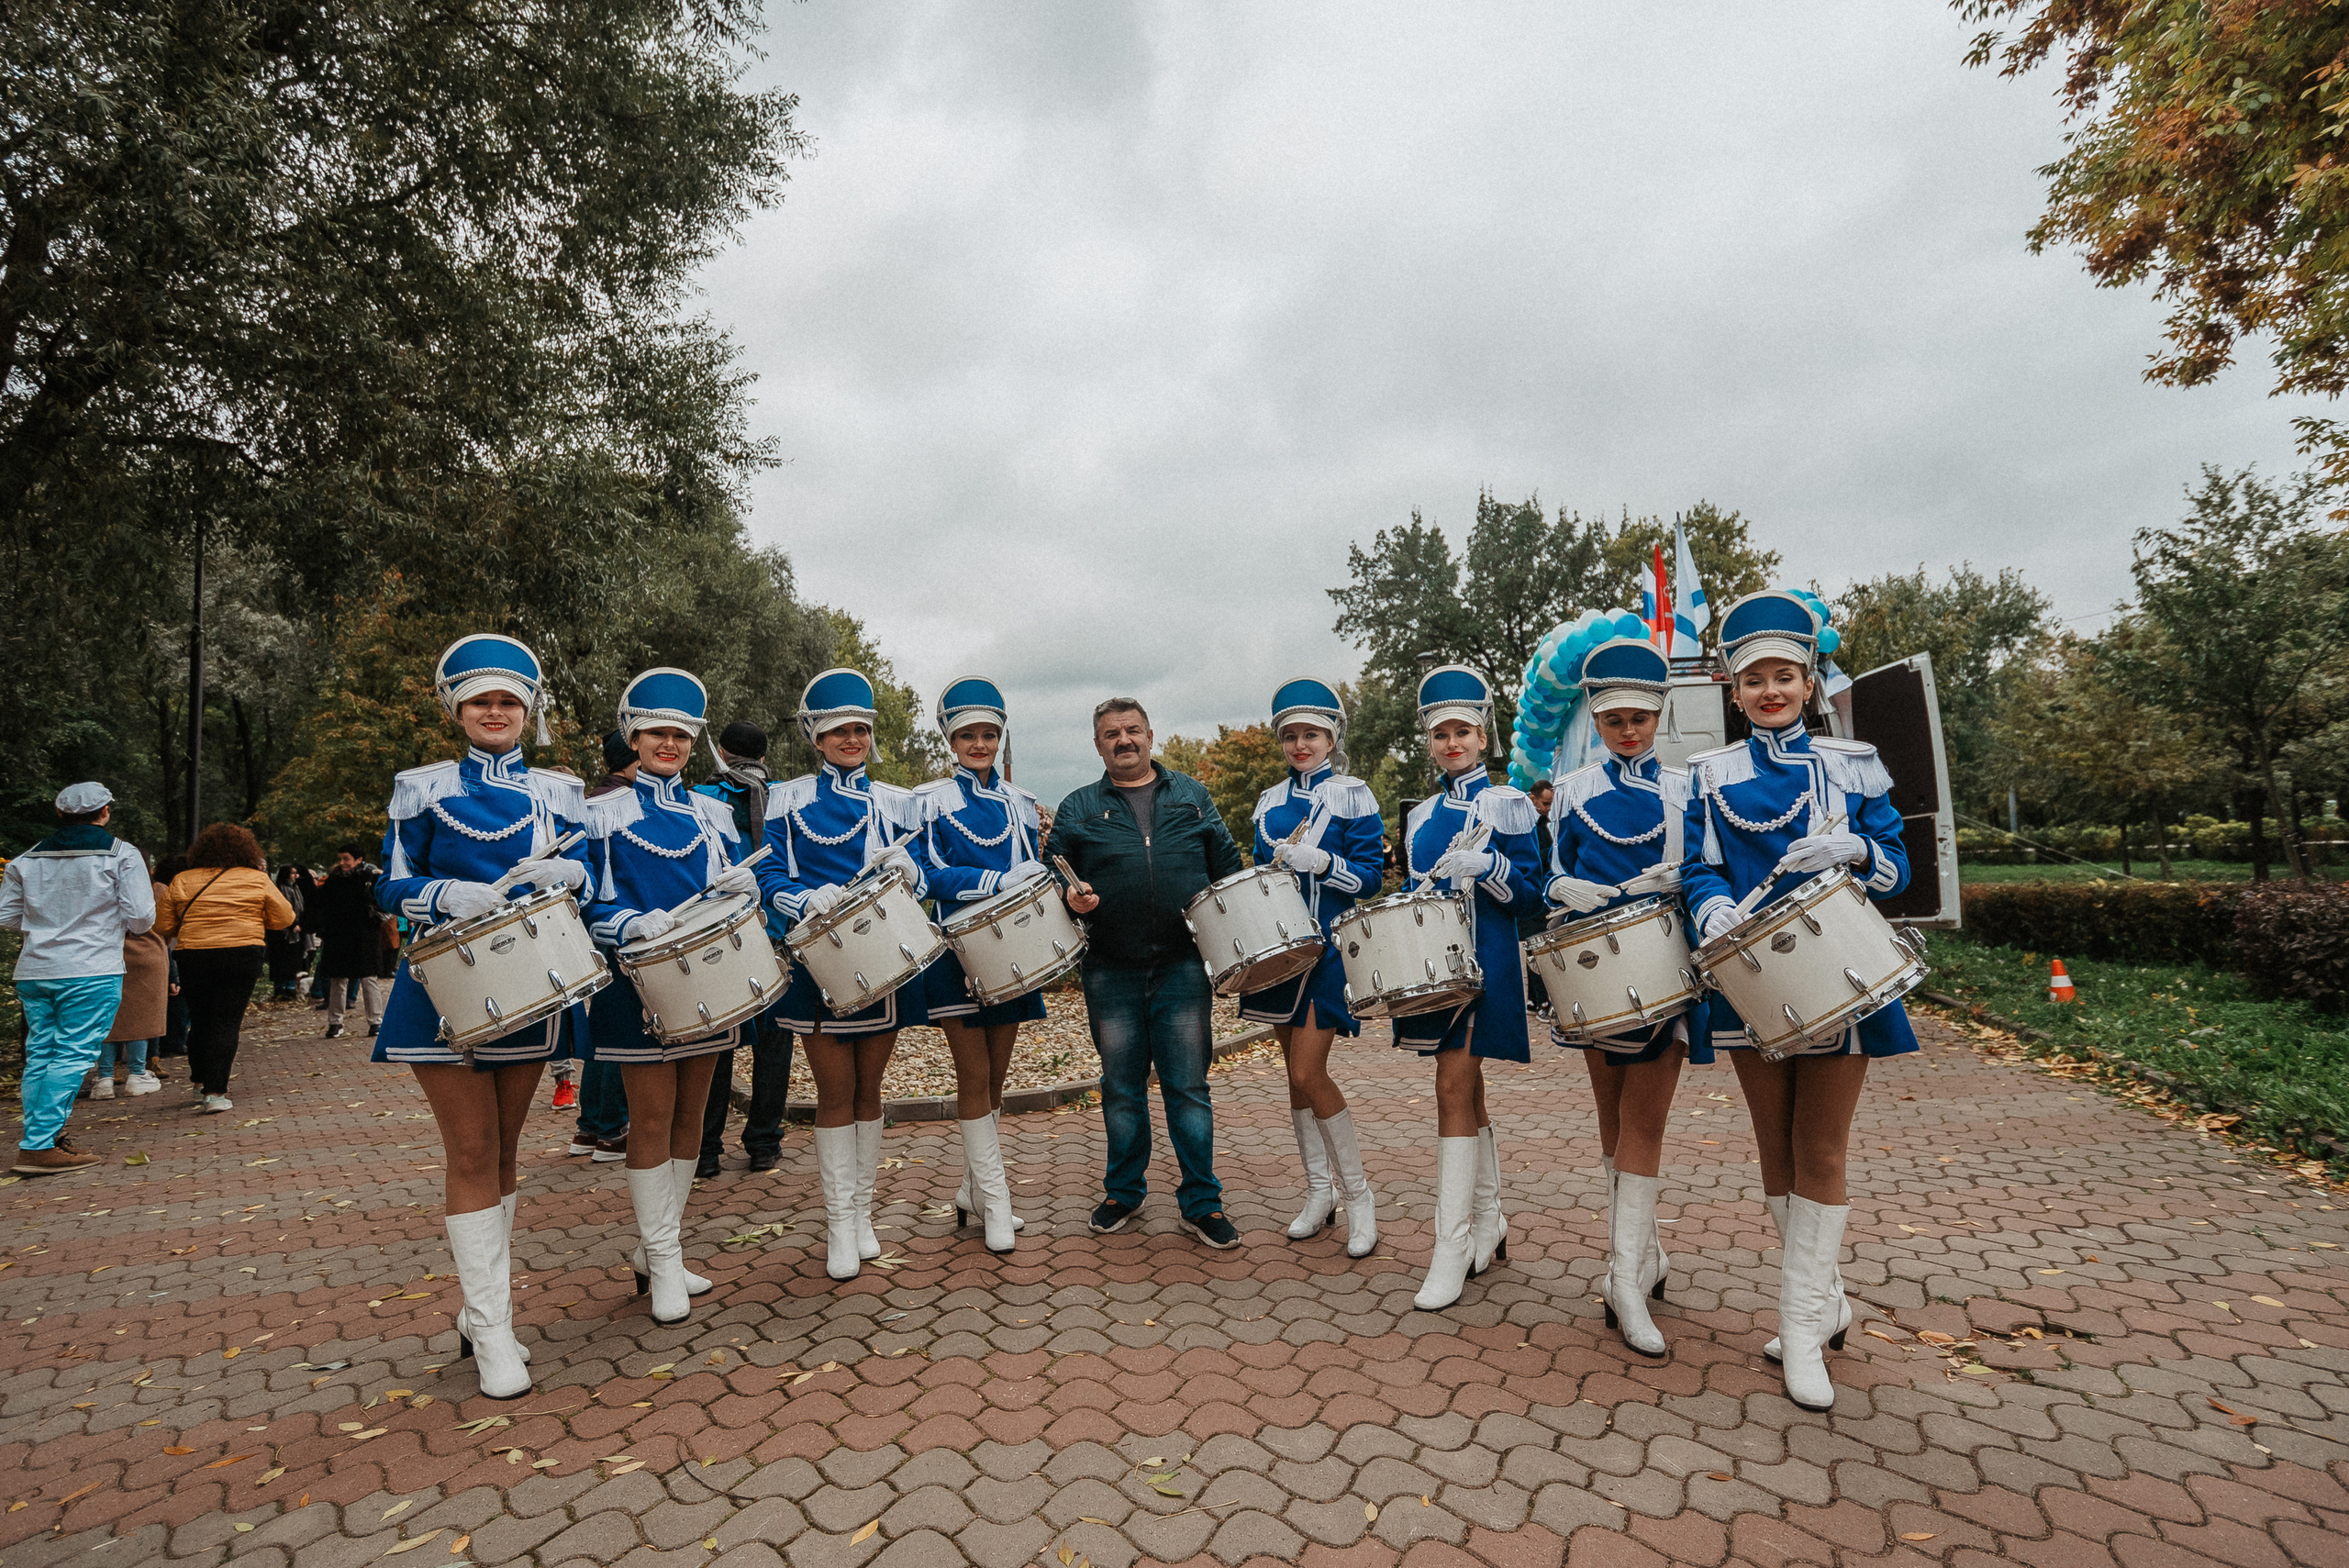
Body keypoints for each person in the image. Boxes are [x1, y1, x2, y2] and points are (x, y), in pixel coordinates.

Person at [1682, 590, 1915, 1413]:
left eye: (1786, 676)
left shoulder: (1852, 761)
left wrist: (1853, 843)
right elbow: (1699, 868)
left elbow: (1898, 869)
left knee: (1819, 1149)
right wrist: (1710, 906)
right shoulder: (1709, 777)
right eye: (1755, 680)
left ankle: (1800, 1331)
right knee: (1773, 1150)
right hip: (1748, 980)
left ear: (1809, 682)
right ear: (1732, 689)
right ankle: (1824, 1303)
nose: (1771, 691)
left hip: (1839, 979)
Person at [374, 634, 595, 1400]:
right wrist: (441, 893)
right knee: (470, 1150)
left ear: (526, 710)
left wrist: (570, 869)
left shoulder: (561, 791)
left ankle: (483, 1312)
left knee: (504, 1152)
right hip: (441, 985)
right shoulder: (420, 786)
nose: (495, 712)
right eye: (481, 701)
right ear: (456, 710)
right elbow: (388, 884)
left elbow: (587, 880)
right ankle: (495, 1329)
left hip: (528, 982)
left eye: (508, 701)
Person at [1543, 636, 1710, 1357]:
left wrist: (1681, 878)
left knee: (1645, 1119)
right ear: (1597, 721)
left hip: (1667, 966)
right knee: (1611, 1119)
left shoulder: (1686, 789)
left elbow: (1710, 872)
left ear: (1660, 713)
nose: (1629, 730)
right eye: (1615, 720)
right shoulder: (1573, 789)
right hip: (1592, 974)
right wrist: (1557, 886)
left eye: (1641, 716)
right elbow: (1544, 875)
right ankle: (1642, 1251)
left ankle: (1625, 1281)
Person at [582, 668, 762, 1323]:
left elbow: (734, 883)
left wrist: (747, 890)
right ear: (635, 737)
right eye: (657, 732)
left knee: (692, 1117)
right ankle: (660, 1262)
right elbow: (585, 901)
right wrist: (626, 921)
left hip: (707, 982)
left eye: (681, 735)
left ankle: (663, 1249)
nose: (669, 744)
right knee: (651, 1120)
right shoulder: (598, 814)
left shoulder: (713, 812)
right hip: (637, 985)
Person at [1051, 698, 1247, 1250]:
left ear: (1151, 735)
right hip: (1110, 967)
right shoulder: (1078, 806)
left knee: (1187, 1087)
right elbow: (1052, 873)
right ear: (1098, 745)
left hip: (1183, 966)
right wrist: (1071, 896)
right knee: (1121, 1088)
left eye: (1132, 730)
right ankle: (1123, 1193)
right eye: (1111, 734)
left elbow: (1227, 867)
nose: (1124, 740)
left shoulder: (1191, 795)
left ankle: (1202, 1203)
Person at [755, 667, 930, 1281]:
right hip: (816, 959)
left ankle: (861, 1215)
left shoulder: (896, 800)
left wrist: (911, 871)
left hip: (882, 956)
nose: (851, 739)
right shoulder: (788, 796)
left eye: (860, 729)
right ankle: (837, 1222)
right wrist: (801, 898)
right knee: (833, 1091)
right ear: (817, 738)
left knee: (869, 1089)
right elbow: (768, 874)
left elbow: (922, 881)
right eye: (839, 731)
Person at [1396, 666, 1543, 1312]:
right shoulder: (1422, 814)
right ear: (1429, 742)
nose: (1452, 742)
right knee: (1468, 1087)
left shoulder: (1509, 803)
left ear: (1483, 737)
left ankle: (1450, 1246)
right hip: (1433, 968)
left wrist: (1492, 866)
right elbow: (1410, 894)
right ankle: (1489, 1222)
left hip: (1486, 964)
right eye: (1441, 734)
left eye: (1463, 731)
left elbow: (1534, 895)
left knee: (1451, 1085)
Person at [1238, 679, 1385, 1258]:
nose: (1301, 745)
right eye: (1292, 736)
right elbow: (1258, 874)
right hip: (1278, 953)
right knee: (1292, 1076)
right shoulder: (1270, 802)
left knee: (1307, 1073)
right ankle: (1318, 1193)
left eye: (1312, 735)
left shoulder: (1353, 795)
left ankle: (1360, 1199)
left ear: (1332, 738)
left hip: (1326, 950)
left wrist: (1323, 861)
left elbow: (1370, 877)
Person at [914, 676, 1050, 1253]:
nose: (979, 743)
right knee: (972, 1076)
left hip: (1013, 952)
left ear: (1000, 737)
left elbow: (1032, 875)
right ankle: (997, 1204)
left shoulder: (1021, 803)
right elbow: (923, 876)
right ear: (951, 740)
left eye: (989, 734)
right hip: (956, 950)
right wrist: (995, 879)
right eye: (967, 735)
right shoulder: (929, 800)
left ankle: (973, 1190)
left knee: (996, 1077)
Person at [0, 783, 156, 1174]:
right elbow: (141, 918)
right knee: (72, 1054)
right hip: (91, 969)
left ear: (60, 815)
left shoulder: (25, 860)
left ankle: (41, 1139)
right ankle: (38, 1146)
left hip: (36, 969)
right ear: (105, 811)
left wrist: (45, 927)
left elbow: (5, 918)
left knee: (42, 1054)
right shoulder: (121, 854)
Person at [692, 719, 792, 1176]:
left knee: (719, 1043)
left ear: (723, 753)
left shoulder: (701, 797)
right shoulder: (786, 795)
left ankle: (707, 1149)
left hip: (722, 935)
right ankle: (764, 1144)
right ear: (765, 756)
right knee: (775, 1044)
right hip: (778, 933)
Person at [156, 824, 296, 1112]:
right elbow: (284, 917)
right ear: (247, 851)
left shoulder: (183, 880)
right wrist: (256, 921)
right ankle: (215, 1092)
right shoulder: (256, 879)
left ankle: (198, 1083)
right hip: (242, 953)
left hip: (194, 954)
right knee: (227, 1021)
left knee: (200, 1019)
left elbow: (163, 926)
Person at [95, 885, 170, 1097]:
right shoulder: (156, 890)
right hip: (148, 953)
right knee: (141, 1016)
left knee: (107, 1015)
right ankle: (137, 1074)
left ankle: (104, 1078)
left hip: (105, 953)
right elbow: (169, 925)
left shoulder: (101, 888)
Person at [312, 845, 390, 1038]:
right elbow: (321, 904)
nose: (342, 863)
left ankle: (375, 1022)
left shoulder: (371, 877)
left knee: (368, 978)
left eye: (346, 859)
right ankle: (335, 1022)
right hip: (338, 936)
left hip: (365, 935)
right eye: (340, 858)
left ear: (358, 859)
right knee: (338, 979)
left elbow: (382, 903)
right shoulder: (334, 879)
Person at [267, 866, 307, 999]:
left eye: (296, 873)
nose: (295, 876)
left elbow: (300, 908)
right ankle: (280, 988)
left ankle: (290, 987)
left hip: (296, 932)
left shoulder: (296, 889)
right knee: (281, 960)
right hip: (281, 932)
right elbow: (279, 908)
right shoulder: (279, 889)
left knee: (293, 960)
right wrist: (291, 924)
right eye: (292, 873)